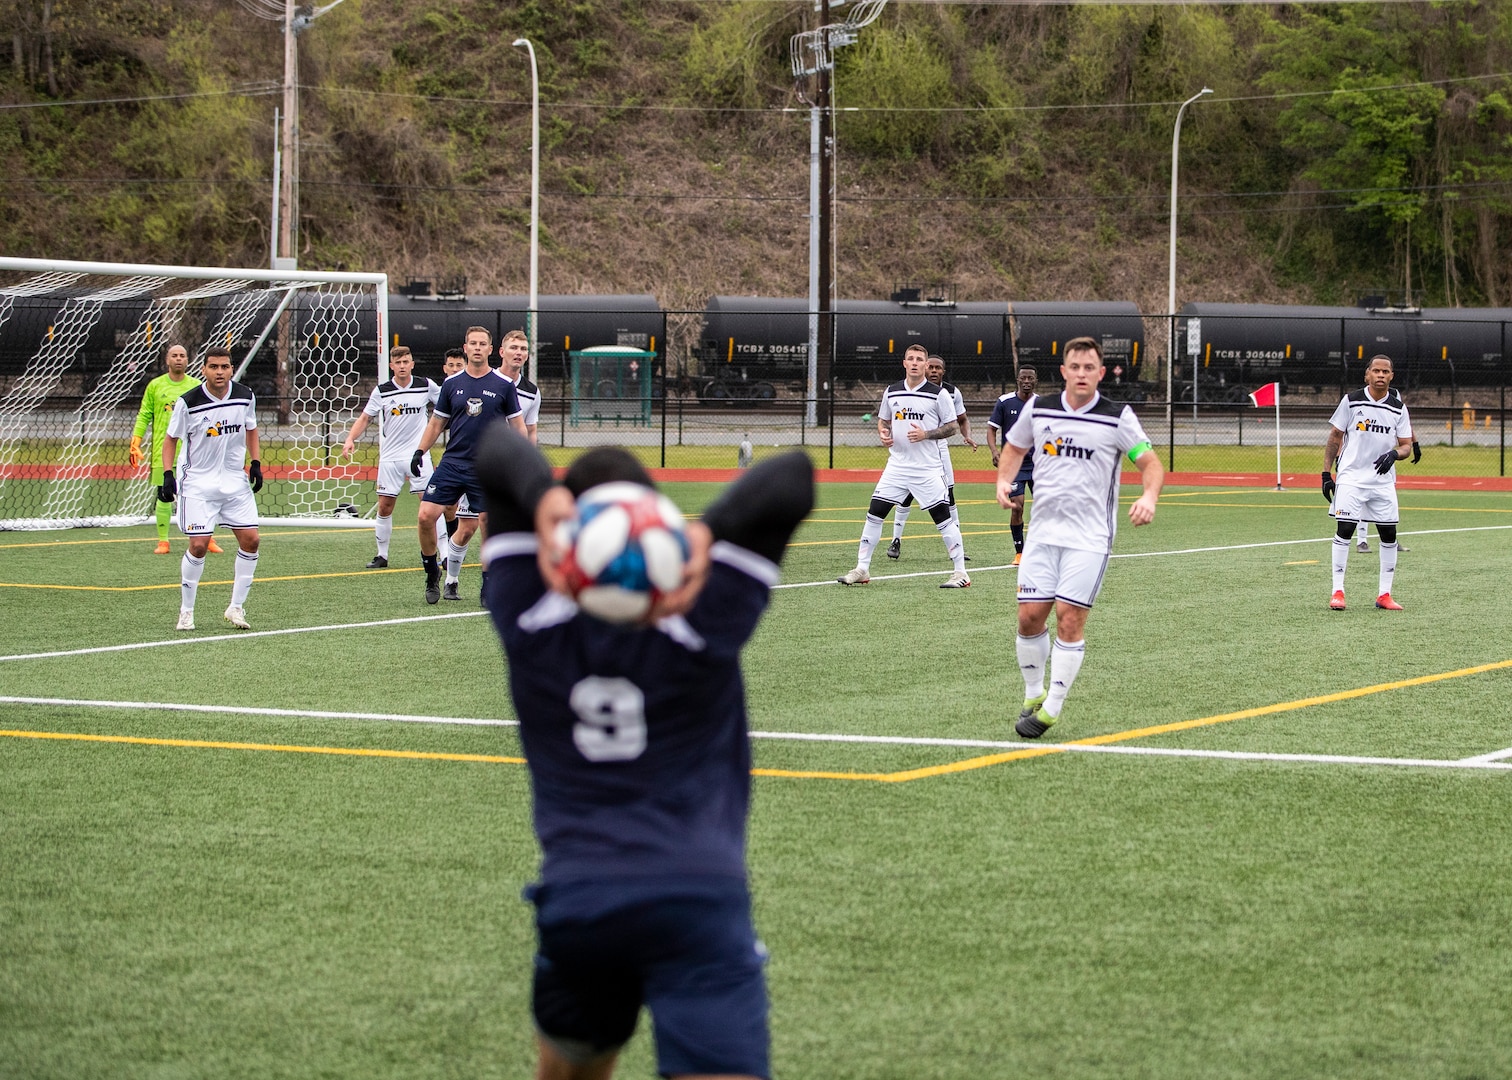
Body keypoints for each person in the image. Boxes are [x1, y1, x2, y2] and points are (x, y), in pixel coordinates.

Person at [474, 426, 814, 1080]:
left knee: (572, 1068)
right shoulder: (699, 612)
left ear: (564, 533)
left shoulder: (529, 612)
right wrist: (706, 533)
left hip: (580, 900)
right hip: (697, 897)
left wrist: (543, 498)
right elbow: (793, 475)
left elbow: (494, 448)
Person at [995, 337, 1164, 739]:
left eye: (1091, 367)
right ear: (1064, 371)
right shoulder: (1039, 408)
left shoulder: (1117, 416)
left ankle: (1051, 707)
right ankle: (1033, 693)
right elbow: (1015, 447)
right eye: (1076, 366)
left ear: (1101, 373)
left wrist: (1149, 495)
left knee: (1069, 618)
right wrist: (1003, 480)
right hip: (1042, 535)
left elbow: (1150, 462)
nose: (1083, 373)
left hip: (1090, 539)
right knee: (1028, 617)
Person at [410, 326, 526, 604]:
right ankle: (431, 575)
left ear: (490, 349)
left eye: (482, 344)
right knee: (426, 516)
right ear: (465, 348)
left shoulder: (503, 386)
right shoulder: (451, 384)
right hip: (453, 462)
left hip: (487, 466)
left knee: (487, 523)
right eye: (472, 343)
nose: (476, 347)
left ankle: (488, 587)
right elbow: (437, 422)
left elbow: (518, 424)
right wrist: (419, 451)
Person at [838, 343, 970, 588]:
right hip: (897, 467)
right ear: (905, 363)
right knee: (874, 514)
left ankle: (961, 572)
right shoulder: (892, 391)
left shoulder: (938, 394)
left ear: (925, 364)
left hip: (927, 469)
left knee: (943, 519)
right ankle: (862, 569)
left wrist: (927, 434)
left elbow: (953, 427)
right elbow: (883, 421)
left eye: (920, 359)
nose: (916, 363)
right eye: (911, 358)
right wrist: (883, 432)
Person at [159, 346, 263, 631]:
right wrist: (168, 476)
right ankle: (186, 611)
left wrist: (255, 463)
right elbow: (170, 440)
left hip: (233, 481)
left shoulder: (245, 396)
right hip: (198, 483)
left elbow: (251, 428)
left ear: (231, 369)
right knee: (199, 545)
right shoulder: (188, 402)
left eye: (225, 367)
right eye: (214, 367)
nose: (220, 372)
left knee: (251, 540)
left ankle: (236, 607)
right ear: (203, 370)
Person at [1322, 354, 1414, 611]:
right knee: (1346, 530)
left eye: (1386, 372)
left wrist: (1394, 453)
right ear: (1367, 375)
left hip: (1383, 483)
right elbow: (1334, 437)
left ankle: (1384, 594)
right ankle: (1337, 591)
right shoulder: (1351, 401)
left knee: (1389, 534)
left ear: (1392, 376)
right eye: (1376, 371)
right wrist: (1325, 473)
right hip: (1351, 478)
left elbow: (1406, 446)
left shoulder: (1398, 407)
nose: (1381, 375)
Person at [340, 345, 442, 569]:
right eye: (398, 363)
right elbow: (366, 418)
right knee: (384, 506)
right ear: (391, 366)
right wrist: (350, 439)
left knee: (431, 505)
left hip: (418, 456)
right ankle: (382, 555)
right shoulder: (382, 390)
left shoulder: (425, 385)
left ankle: (443, 554)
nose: (403, 366)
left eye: (406, 362)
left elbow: (446, 404)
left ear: (412, 364)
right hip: (390, 458)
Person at [130, 343, 219, 555]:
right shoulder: (155, 385)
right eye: (174, 355)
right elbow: (144, 414)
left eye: (182, 355)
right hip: (165, 451)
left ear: (188, 361)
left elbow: (212, 416)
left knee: (200, 496)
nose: (178, 358)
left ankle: (208, 538)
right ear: (167, 360)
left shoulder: (198, 385)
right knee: (165, 494)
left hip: (194, 452)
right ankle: (163, 542)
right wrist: (136, 439)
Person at [885, 355, 976, 561]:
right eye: (931, 367)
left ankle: (958, 545)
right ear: (925, 368)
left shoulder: (951, 392)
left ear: (943, 371)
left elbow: (961, 419)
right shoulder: (910, 390)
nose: (934, 371)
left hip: (938, 448)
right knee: (905, 494)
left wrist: (967, 435)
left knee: (949, 495)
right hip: (913, 448)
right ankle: (895, 540)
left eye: (938, 368)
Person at [987, 366, 1039, 566]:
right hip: (1015, 465)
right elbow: (992, 429)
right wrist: (994, 451)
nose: (1027, 381)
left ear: (1035, 381)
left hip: (1039, 464)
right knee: (1017, 507)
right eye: (1023, 377)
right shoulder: (1005, 402)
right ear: (1017, 379)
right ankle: (1020, 553)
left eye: (1030, 378)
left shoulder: (1041, 404)